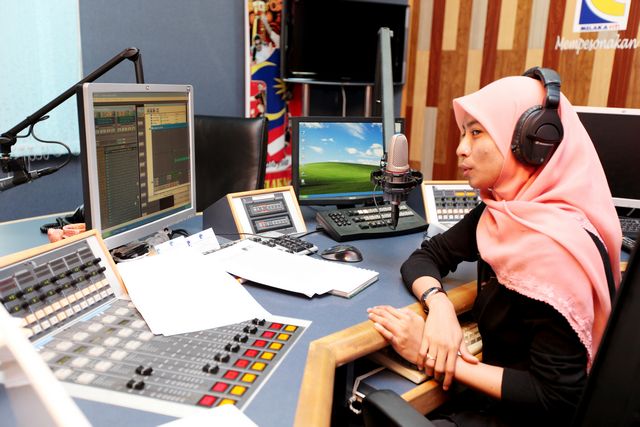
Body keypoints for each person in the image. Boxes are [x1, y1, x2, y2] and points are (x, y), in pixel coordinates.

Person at [367, 70, 622, 426]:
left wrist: (429, 352)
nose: (461, 148)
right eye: (463, 133)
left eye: (476, 132)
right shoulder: (503, 212)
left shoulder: (552, 251)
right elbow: (428, 257)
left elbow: (557, 398)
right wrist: (438, 305)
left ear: (529, 143)